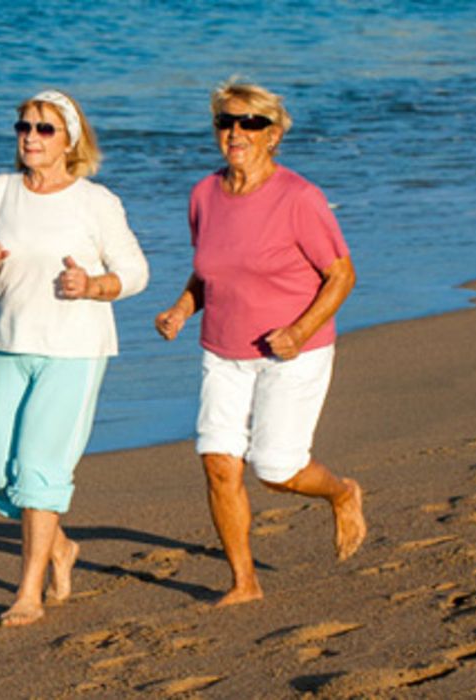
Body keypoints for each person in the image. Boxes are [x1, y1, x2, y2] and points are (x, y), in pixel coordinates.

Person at [154, 80, 366, 607]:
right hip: (222, 351)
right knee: (218, 462)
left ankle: (342, 493)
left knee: (277, 470)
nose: (236, 132)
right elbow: (211, 271)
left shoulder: (299, 198)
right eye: (226, 121)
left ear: (273, 134)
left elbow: (341, 274)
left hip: (293, 352)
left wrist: (297, 331)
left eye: (250, 123)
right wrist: (182, 307)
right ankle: (244, 582)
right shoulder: (203, 194)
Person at [0, 89, 149, 626]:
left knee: (40, 470)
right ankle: (61, 547)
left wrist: (90, 285)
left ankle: (28, 593)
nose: (30, 137)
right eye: (23, 127)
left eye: (44, 128)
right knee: (3, 480)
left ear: (70, 139)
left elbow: (135, 273)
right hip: (8, 343)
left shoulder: (95, 202)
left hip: (75, 349)